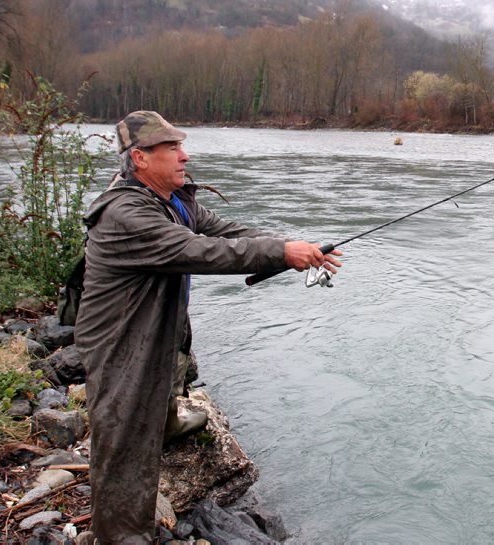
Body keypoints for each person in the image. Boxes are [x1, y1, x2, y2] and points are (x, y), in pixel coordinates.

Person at [75, 110, 342, 544]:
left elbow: (228, 232)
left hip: (155, 326)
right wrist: (281, 253)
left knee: (167, 372)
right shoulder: (127, 214)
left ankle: (166, 421)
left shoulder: (176, 199)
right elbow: (205, 252)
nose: (185, 155)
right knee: (123, 445)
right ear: (140, 158)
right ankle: (120, 535)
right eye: (173, 148)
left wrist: (297, 249)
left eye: (181, 145)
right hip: (118, 342)